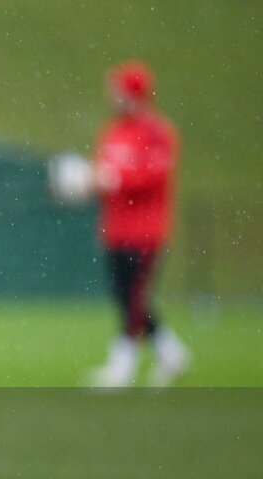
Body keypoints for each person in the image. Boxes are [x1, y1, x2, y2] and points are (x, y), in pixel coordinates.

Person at [89, 60, 190, 387]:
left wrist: (115, 179)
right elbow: (103, 178)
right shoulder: (112, 131)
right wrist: (84, 183)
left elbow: (154, 175)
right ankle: (171, 352)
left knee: (133, 296)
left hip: (145, 229)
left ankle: (123, 364)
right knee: (126, 295)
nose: (112, 97)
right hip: (115, 228)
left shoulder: (156, 131)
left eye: (117, 90)